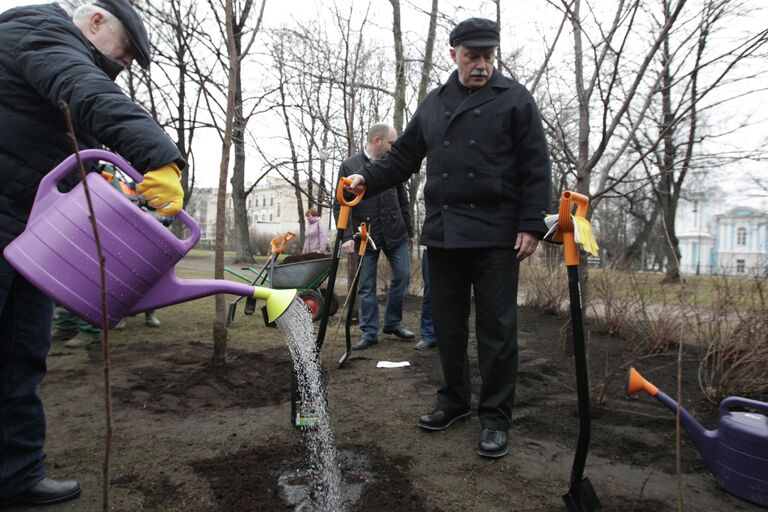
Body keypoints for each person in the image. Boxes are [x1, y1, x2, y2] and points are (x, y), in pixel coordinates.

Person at [0, 0, 185, 505]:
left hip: (29, 232)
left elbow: (98, 152)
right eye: (124, 56)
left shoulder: (64, 70)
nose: (122, 68)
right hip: (11, 219)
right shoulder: (40, 33)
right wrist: (163, 157)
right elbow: (87, 92)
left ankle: (15, 473)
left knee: (22, 356)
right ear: (96, 21)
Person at [344, 18, 552, 458]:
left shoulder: (514, 99)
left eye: (488, 57)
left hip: (498, 236)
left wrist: (532, 224)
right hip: (444, 233)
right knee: (449, 327)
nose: (480, 65)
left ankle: (495, 417)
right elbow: (402, 158)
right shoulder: (434, 104)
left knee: (497, 329)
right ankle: (454, 401)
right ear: (454, 54)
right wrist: (366, 178)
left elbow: (536, 163)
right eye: (472, 56)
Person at [334, 123, 415, 350]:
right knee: (366, 286)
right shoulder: (350, 165)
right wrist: (347, 237)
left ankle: (392, 323)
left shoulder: (394, 165)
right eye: (391, 142)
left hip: (395, 232)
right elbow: (339, 203)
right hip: (365, 234)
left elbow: (403, 201)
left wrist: (409, 232)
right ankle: (369, 333)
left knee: (403, 275)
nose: (394, 147)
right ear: (377, 140)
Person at [414, 247, 437, 350]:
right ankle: (429, 334)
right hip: (432, 245)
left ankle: (452, 334)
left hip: (461, 245)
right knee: (430, 291)